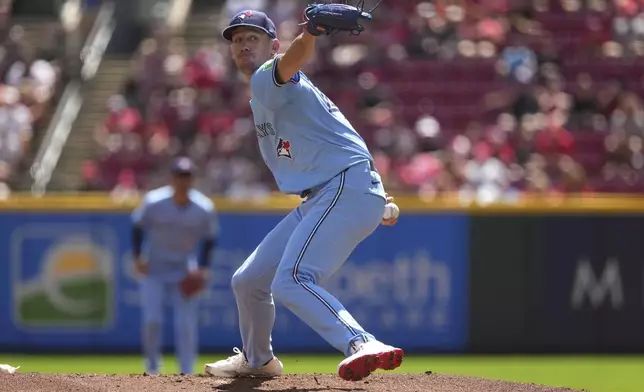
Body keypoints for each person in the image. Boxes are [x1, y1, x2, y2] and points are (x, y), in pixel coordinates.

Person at [203, 8, 402, 382]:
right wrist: (372, 192)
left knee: (292, 278)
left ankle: (360, 342)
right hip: (332, 192)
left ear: (273, 46)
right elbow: (336, 132)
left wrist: (310, 32)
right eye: (237, 39)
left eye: (253, 38)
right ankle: (257, 359)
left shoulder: (270, 76)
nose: (243, 45)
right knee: (248, 281)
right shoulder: (275, 93)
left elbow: (290, 60)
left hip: (340, 188)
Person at [132, 156, 219, 375]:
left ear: (193, 179)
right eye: (180, 175)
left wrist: (204, 267)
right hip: (155, 268)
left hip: (183, 270)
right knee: (152, 320)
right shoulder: (154, 201)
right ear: (172, 178)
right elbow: (137, 226)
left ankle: (187, 372)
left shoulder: (203, 207)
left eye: (187, 176)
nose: (183, 180)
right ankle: (152, 368)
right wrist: (137, 257)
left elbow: (210, 238)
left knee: (186, 325)